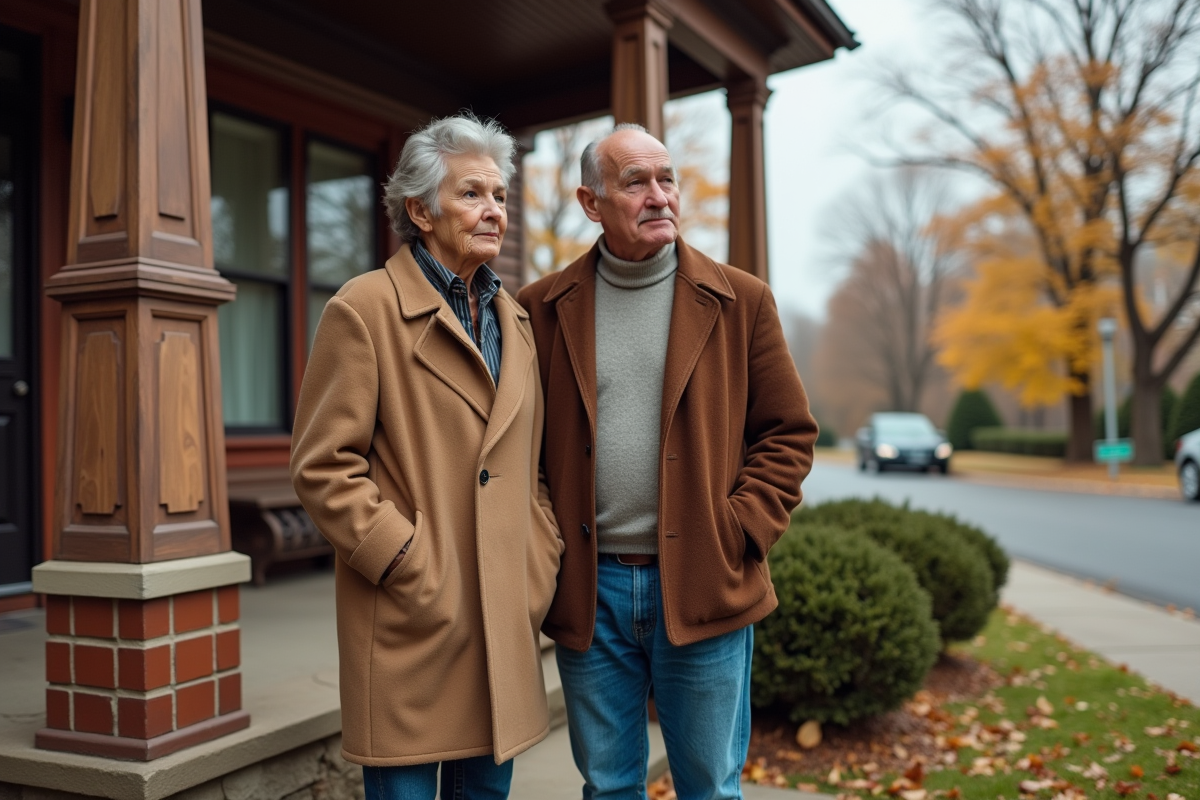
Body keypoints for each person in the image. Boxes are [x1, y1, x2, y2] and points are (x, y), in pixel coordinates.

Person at [517, 124, 818, 800]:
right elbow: (519, 449)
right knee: (608, 784)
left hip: (706, 581)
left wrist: (739, 530)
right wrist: (546, 546)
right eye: (636, 183)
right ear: (591, 203)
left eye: (667, 179)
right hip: (589, 594)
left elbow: (788, 433)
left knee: (710, 786)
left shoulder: (742, 301)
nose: (660, 196)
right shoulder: (538, 310)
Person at [291, 113, 564, 800]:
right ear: (420, 209)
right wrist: (408, 561)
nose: (494, 211)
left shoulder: (517, 323)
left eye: (500, 196)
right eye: (473, 193)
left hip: (502, 620)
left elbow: (529, 465)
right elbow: (324, 466)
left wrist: (541, 553)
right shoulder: (364, 310)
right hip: (412, 624)